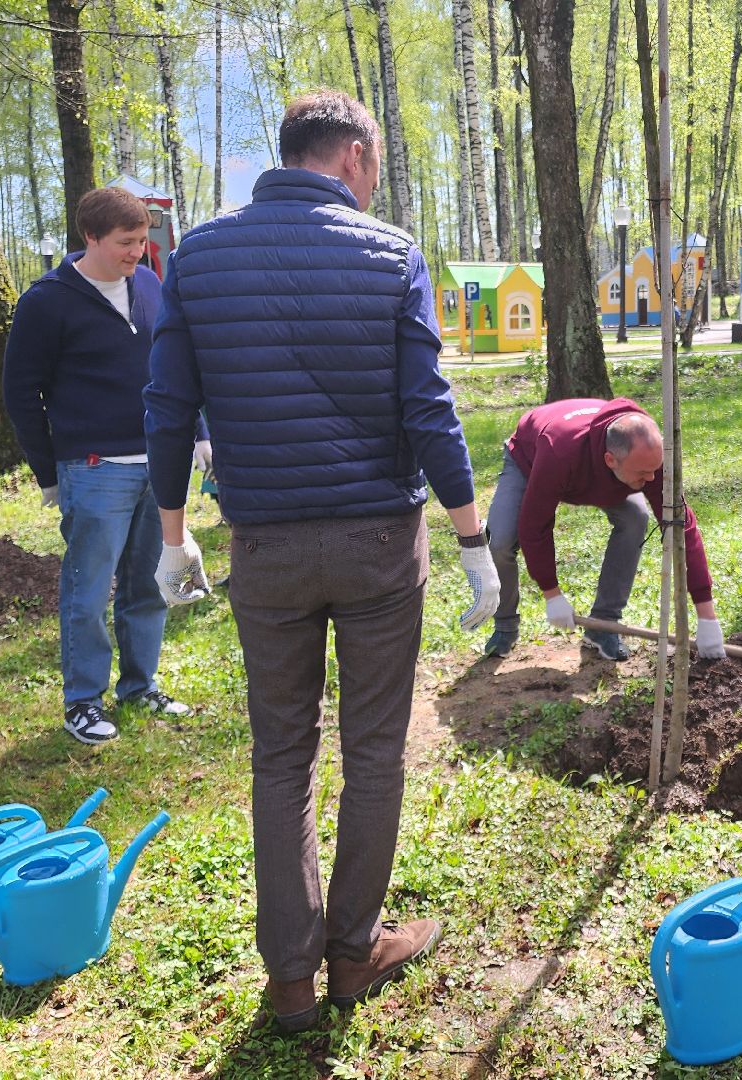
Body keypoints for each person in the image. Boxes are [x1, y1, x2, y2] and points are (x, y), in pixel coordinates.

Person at [143, 90, 501, 1032]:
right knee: (374, 750)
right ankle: (353, 954)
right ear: (352, 156)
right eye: (373, 167)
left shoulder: (198, 257)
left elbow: (169, 404)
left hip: (265, 546)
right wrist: (473, 540)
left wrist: (173, 532)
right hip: (381, 542)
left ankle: (291, 980)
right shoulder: (389, 255)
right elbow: (430, 409)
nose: (372, 182)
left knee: (282, 756)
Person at [3, 187, 196, 745]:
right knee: (88, 591)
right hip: (93, 469)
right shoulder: (47, 301)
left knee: (150, 584)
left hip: (158, 465)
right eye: (125, 243)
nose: (138, 252)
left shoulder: (151, 286)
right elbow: (21, 391)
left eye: (141, 241)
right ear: (90, 237)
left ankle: (141, 685)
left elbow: (175, 369)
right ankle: (82, 702)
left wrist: (199, 434)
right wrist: (47, 474)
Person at [480, 398, 726, 662]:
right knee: (501, 540)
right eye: (644, 474)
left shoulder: (649, 458)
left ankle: (603, 623)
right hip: (530, 461)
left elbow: (682, 529)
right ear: (611, 459)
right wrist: (551, 593)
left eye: (656, 470)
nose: (652, 480)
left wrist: (706, 615)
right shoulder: (558, 451)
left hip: (598, 472)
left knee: (635, 517)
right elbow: (535, 524)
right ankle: (505, 625)